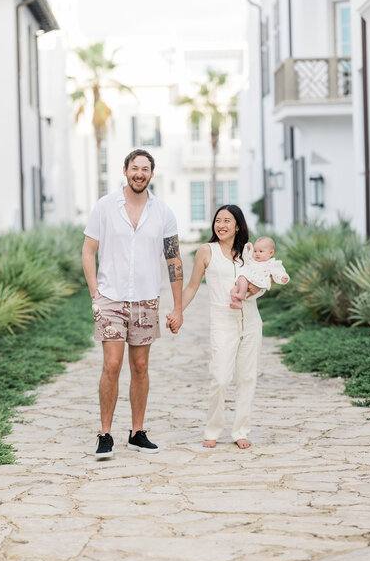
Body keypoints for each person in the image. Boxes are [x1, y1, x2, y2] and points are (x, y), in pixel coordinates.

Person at [82, 149, 183, 460]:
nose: (139, 173)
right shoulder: (105, 207)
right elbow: (88, 252)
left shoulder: (163, 212)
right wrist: (95, 292)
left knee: (140, 367)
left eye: (145, 169)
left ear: (151, 174)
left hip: (146, 299)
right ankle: (105, 434)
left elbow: (173, 259)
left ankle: (137, 433)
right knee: (111, 365)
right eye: (134, 168)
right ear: (124, 170)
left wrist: (178, 307)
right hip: (111, 297)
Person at [167, 204, 263, 450]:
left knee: (248, 378)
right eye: (218, 220)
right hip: (222, 322)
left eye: (227, 221)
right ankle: (212, 430)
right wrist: (178, 311)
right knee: (219, 378)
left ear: (238, 225)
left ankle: (241, 431)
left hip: (251, 321)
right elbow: (191, 286)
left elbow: (263, 280)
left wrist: (255, 289)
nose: (221, 225)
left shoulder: (249, 252)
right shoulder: (206, 251)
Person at [230, 236, 289, 308]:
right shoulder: (253, 261)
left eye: (261, 251)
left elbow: (278, 272)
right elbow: (247, 258)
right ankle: (237, 302)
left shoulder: (272, 264)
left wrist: (283, 277)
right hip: (247, 281)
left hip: (258, 283)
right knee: (233, 290)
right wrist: (248, 250)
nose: (257, 253)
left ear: (271, 253)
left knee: (242, 277)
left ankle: (241, 295)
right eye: (255, 251)